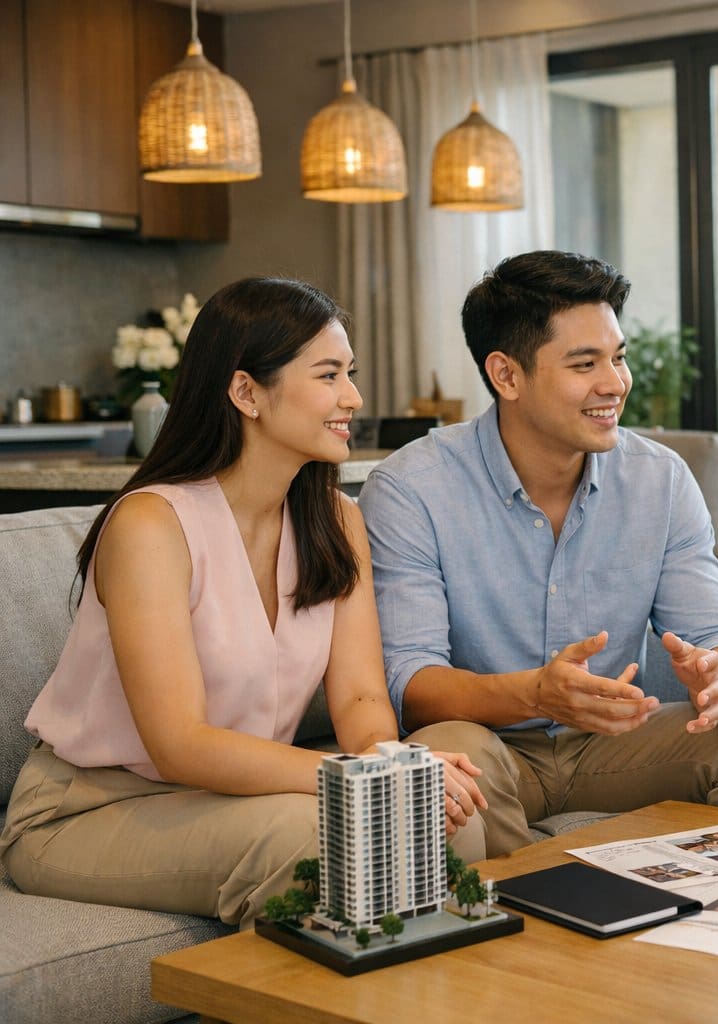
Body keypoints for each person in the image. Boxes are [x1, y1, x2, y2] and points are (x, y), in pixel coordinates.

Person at [0, 278, 500, 927]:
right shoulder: (152, 528)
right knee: (326, 840)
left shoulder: (337, 521)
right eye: (328, 375)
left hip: (228, 797)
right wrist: (357, 774)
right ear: (246, 392)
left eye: (349, 373)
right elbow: (180, 744)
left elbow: (358, 700)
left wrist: (396, 766)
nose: (353, 397)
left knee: (443, 825)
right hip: (91, 809)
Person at [358, 250, 718, 851]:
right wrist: (533, 693)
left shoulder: (660, 479)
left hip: (617, 747)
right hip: (493, 747)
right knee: (449, 761)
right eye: (585, 364)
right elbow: (410, 680)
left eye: (618, 357)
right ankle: (529, 932)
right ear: (507, 375)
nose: (614, 383)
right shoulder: (411, 487)